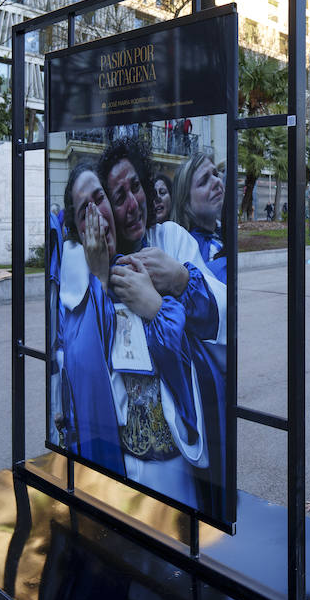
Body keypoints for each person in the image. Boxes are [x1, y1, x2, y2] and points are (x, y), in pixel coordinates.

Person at [52, 163, 219, 512]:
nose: (98, 214)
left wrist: (162, 302)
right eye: (86, 210)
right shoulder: (75, 280)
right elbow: (78, 374)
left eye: (100, 199)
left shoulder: (160, 251)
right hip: (119, 464)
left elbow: (198, 349)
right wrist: (98, 277)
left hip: (174, 461)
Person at [171, 152, 226, 283]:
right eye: (203, 181)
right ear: (185, 202)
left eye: (215, 174)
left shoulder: (228, 231)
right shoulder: (185, 252)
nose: (217, 181)